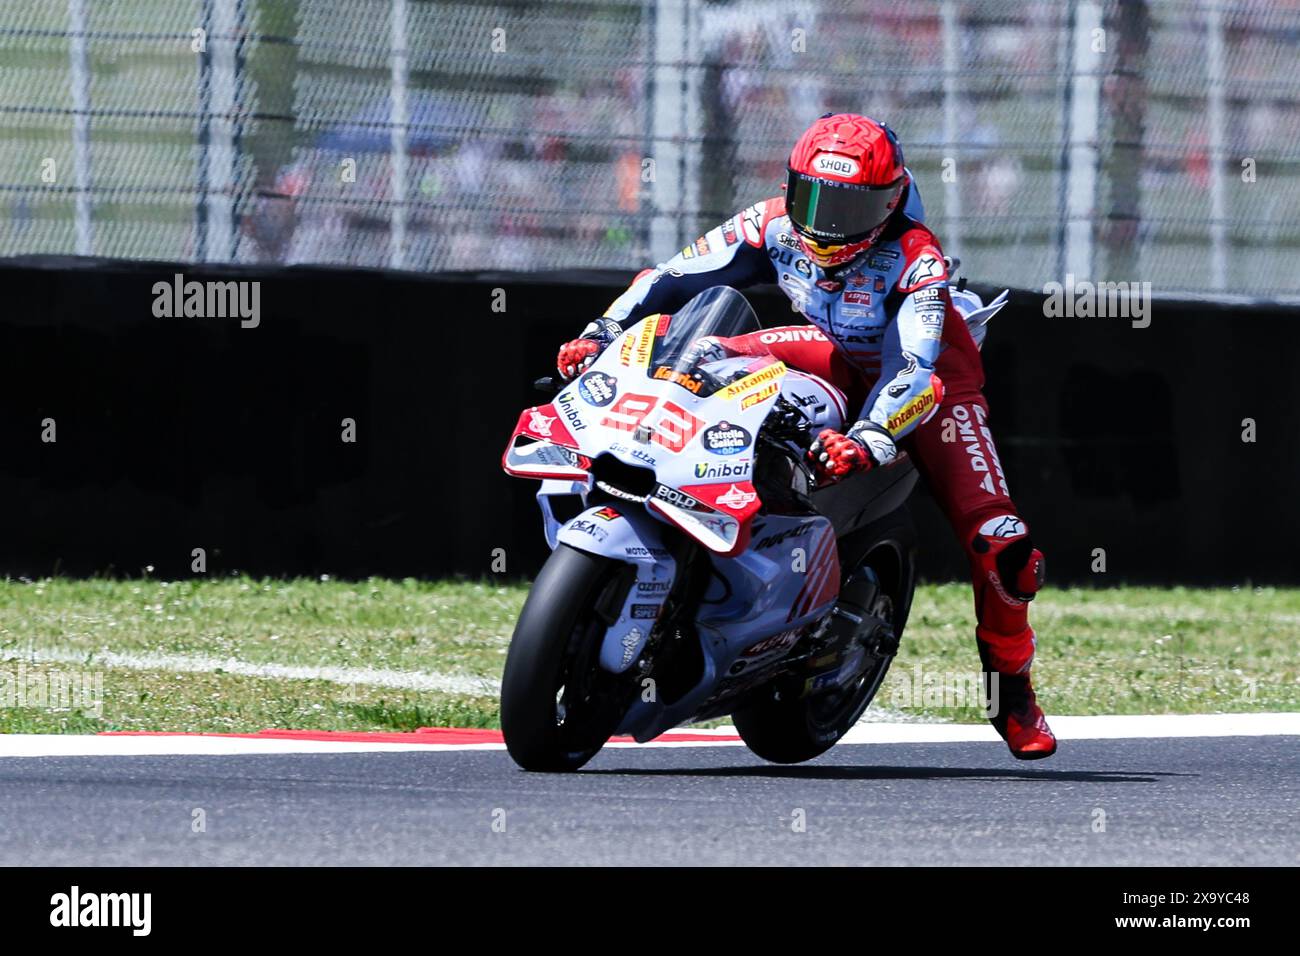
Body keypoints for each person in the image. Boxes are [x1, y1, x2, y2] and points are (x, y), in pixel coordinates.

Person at [555, 113, 1055, 759]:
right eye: (816, 198)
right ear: (792, 189)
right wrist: (601, 332)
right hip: (829, 351)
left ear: (893, 199)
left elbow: (915, 370)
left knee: (1003, 546)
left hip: (929, 388)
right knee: (699, 358)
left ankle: (1010, 689)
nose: (830, 220)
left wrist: (871, 436)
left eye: (855, 203)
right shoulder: (768, 223)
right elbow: (668, 279)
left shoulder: (915, 260)